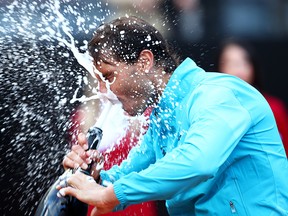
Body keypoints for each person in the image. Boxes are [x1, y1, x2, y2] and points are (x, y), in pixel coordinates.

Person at [57, 16, 288, 215]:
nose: (102, 92)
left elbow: (198, 161)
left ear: (145, 62)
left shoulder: (218, 92)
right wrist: (94, 179)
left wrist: (109, 195)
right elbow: (126, 175)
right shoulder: (162, 119)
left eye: (108, 77)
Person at [216, 38, 288, 156]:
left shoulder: (273, 107)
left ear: (253, 66)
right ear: (219, 69)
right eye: (231, 63)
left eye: (243, 62)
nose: (238, 70)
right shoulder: (215, 108)